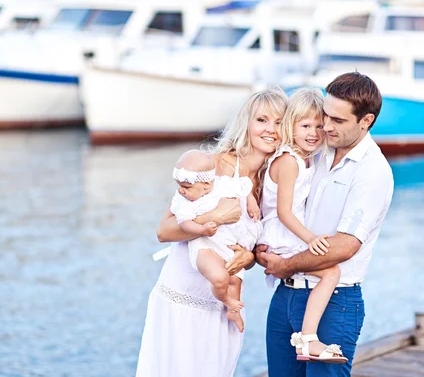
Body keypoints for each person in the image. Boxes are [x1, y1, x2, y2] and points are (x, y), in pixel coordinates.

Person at [136, 87, 288, 377]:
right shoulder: (214, 166)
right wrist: (215, 215)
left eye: (280, 122)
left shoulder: (274, 180)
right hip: (183, 299)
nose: (271, 130)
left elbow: (253, 244)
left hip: (225, 308)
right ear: (247, 124)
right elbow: (164, 231)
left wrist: (251, 257)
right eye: (262, 120)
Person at [257, 72, 394, 377]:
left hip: (334, 302)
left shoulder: (373, 172)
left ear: (366, 120)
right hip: (286, 295)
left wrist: (284, 264)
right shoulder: (314, 151)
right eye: (324, 117)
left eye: (338, 121)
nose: (326, 127)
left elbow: (345, 245)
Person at [259, 87, 346, 363]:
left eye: (319, 126)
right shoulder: (289, 161)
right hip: (282, 234)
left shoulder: (305, 159)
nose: (314, 133)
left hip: (288, 232)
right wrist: (310, 238)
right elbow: (284, 211)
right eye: (306, 125)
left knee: (329, 273)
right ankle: (309, 339)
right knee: (331, 273)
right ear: (290, 126)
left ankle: (307, 338)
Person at [168, 149, 263, 332]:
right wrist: (202, 229)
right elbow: (185, 224)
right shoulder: (183, 200)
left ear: (206, 184)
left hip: (228, 243)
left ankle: (233, 309)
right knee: (220, 278)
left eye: (186, 187)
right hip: (205, 245)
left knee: (235, 280)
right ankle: (226, 300)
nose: (181, 190)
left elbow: (245, 187)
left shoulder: (223, 184)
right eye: (179, 185)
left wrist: (251, 203)